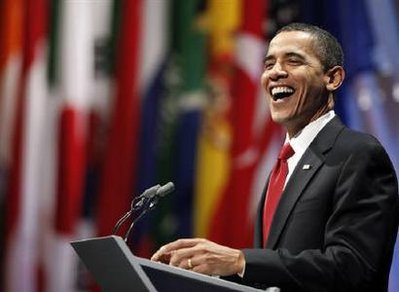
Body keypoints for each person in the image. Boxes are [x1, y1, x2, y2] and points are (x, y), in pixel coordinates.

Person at [151, 23, 399, 292]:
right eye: (269, 64)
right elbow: (278, 276)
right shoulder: (283, 166)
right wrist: (200, 273)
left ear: (333, 78)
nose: (276, 72)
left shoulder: (358, 153)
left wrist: (240, 260)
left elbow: (353, 268)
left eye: (293, 61)